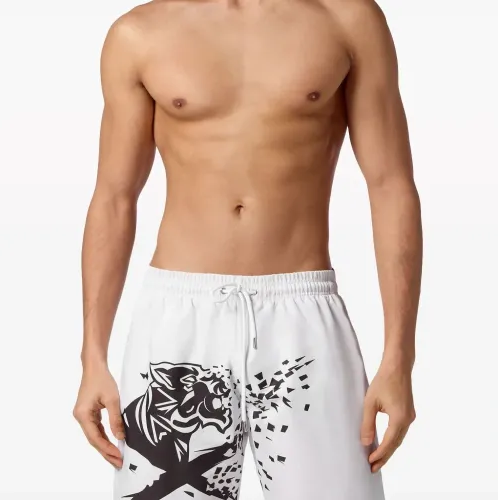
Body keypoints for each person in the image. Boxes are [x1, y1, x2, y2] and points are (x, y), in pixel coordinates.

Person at [73, 0, 422, 498]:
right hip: (178, 323)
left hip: (302, 318)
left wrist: (400, 357)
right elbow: (114, 197)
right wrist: (92, 355)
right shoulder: (139, 33)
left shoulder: (347, 19)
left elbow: (390, 186)